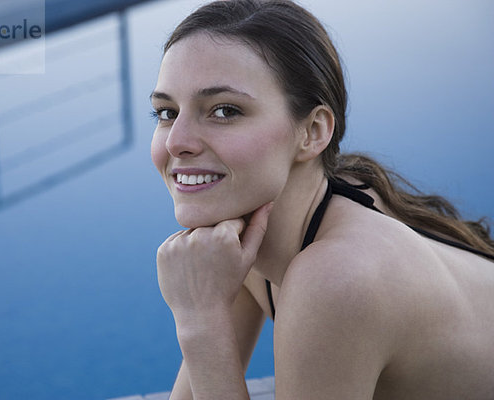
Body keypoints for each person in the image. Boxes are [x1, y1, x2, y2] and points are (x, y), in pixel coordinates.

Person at [149, 0, 494, 398]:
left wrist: (200, 320)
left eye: (225, 111)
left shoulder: (337, 277)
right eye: (166, 112)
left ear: (313, 132)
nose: (177, 142)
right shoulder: (250, 230)